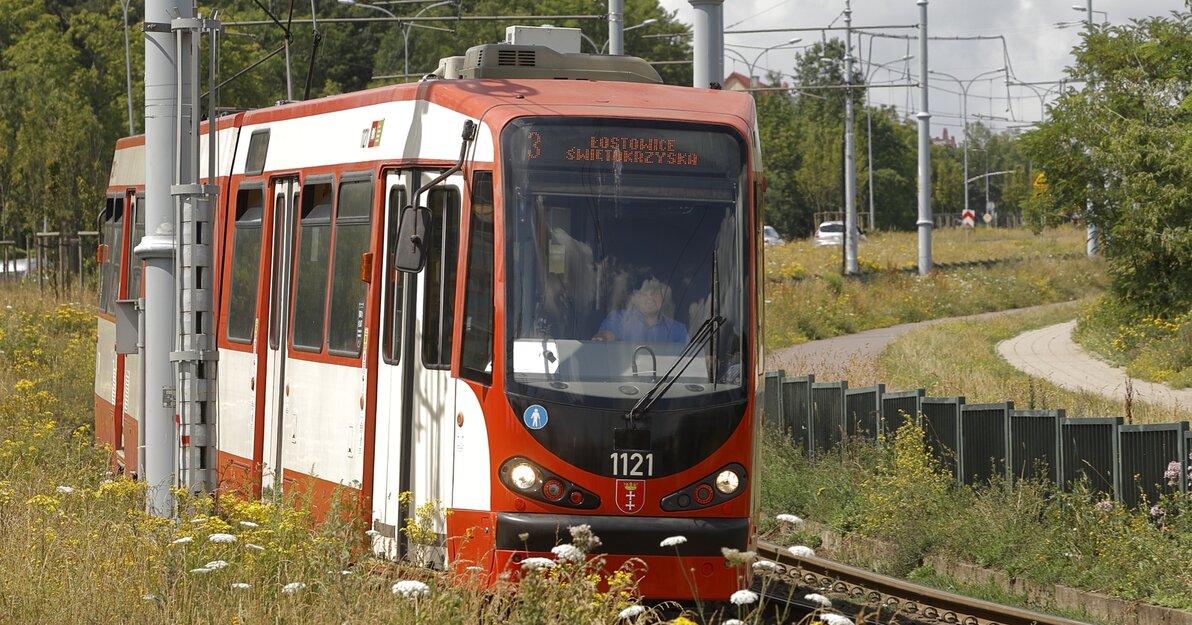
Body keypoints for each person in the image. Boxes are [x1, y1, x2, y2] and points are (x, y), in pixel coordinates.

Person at [592, 277, 688, 343]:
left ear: (663, 298)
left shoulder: (679, 330)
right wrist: (601, 339)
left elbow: (690, 362)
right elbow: (606, 335)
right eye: (644, 293)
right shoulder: (618, 319)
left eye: (655, 293)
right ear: (633, 298)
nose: (650, 298)